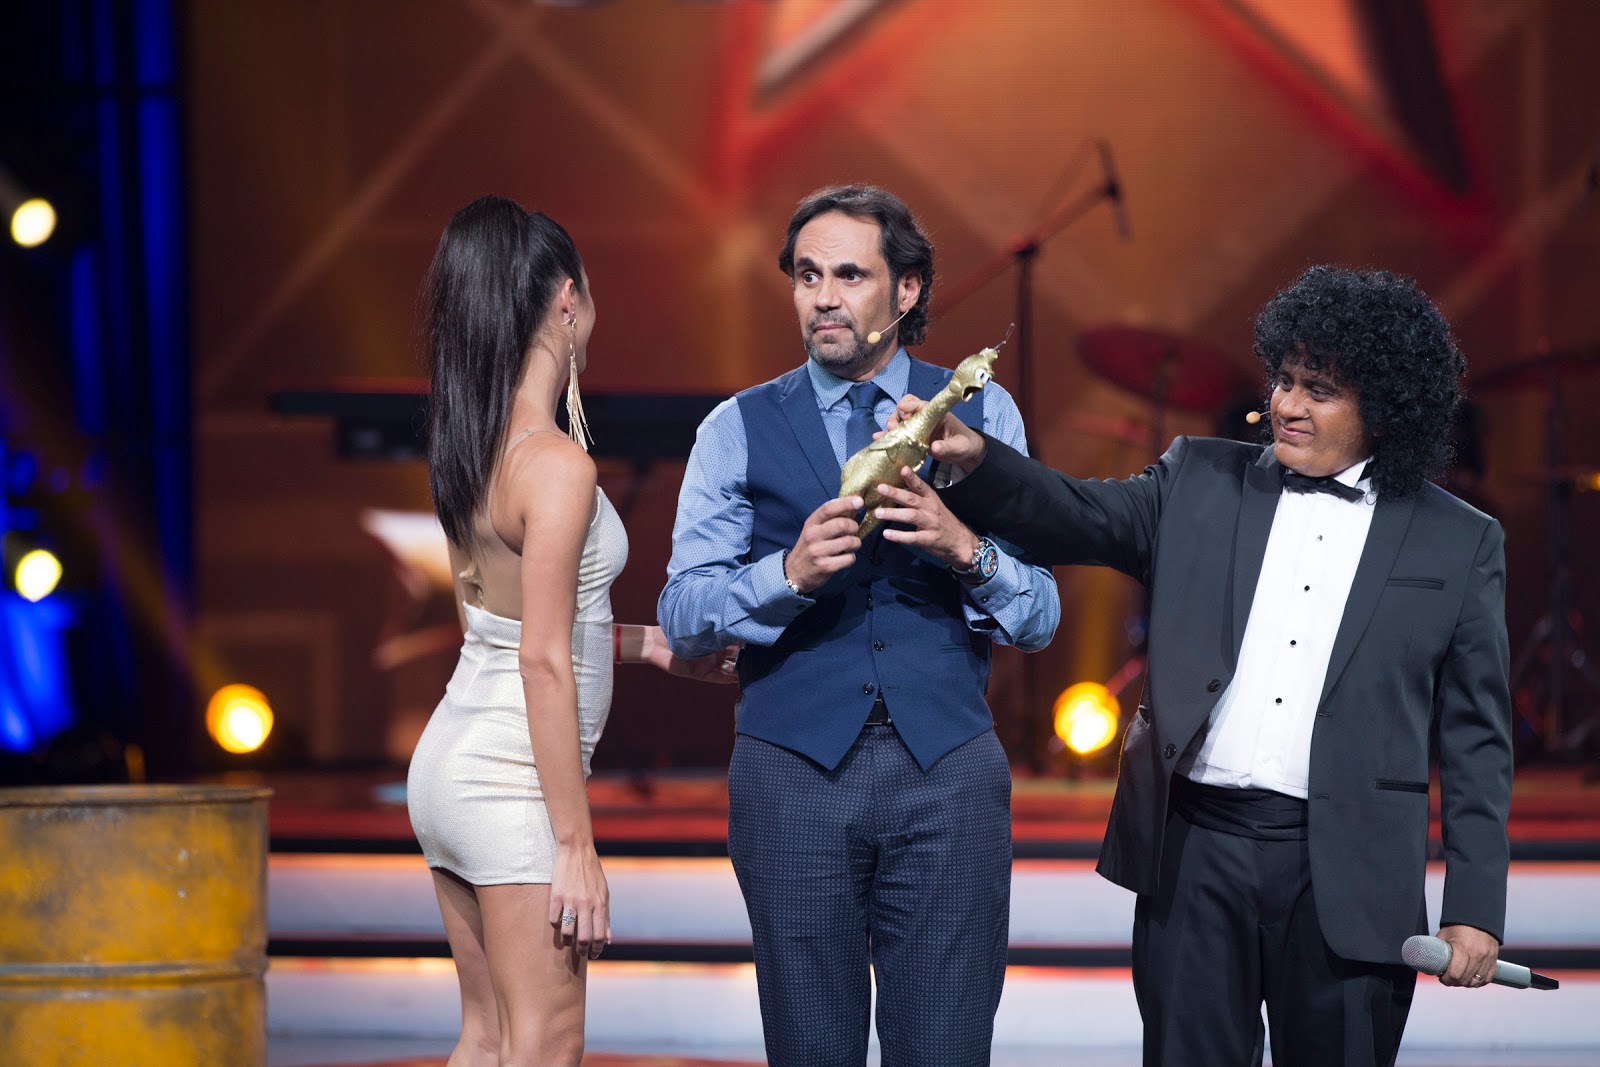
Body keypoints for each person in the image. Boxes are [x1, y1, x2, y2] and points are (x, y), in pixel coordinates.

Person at [887, 265, 1514, 1067]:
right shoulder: (1199, 477)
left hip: (1351, 871)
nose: (1286, 404)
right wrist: (976, 458)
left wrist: (1475, 905)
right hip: (1195, 853)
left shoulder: (1459, 540)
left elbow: (1476, 742)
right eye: (1283, 379)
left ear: (1386, 408)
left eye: (1319, 390)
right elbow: (1075, 513)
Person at [657, 184, 1061, 1066]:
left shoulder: (980, 413)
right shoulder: (736, 427)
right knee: (811, 1045)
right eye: (807, 276)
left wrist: (964, 549)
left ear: (906, 290)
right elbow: (683, 616)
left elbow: (1039, 612)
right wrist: (787, 575)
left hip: (947, 774)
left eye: (849, 275)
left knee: (946, 1047)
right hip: (792, 774)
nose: (824, 298)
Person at [406, 196, 736, 1067]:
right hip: (510, 783)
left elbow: (503, 626)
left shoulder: (472, 443)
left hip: (451, 765)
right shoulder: (557, 465)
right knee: (548, 1043)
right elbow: (541, 660)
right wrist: (575, 844)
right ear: (565, 299)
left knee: (488, 1039)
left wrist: (647, 644)